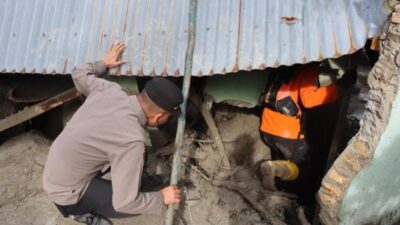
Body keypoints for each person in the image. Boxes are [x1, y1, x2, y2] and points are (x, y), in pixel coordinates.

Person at [42, 42, 183, 225]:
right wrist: (161, 198)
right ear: (158, 117)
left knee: (134, 158)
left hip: (59, 167)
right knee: (130, 201)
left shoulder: (110, 90)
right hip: (65, 191)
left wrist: (104, 64)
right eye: (169, 117)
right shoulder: (131, 140)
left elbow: (79, 73)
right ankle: (77, 212)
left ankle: (142, 185)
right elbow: (125, 203)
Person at [259, 62, 340, 191]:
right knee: (302, 168)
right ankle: (292, 191)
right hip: (286, 133)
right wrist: (334, 90)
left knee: (284, 159)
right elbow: (308, 100)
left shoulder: (284, 66)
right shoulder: (309, 69)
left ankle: (279, 186)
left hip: (268, 127)